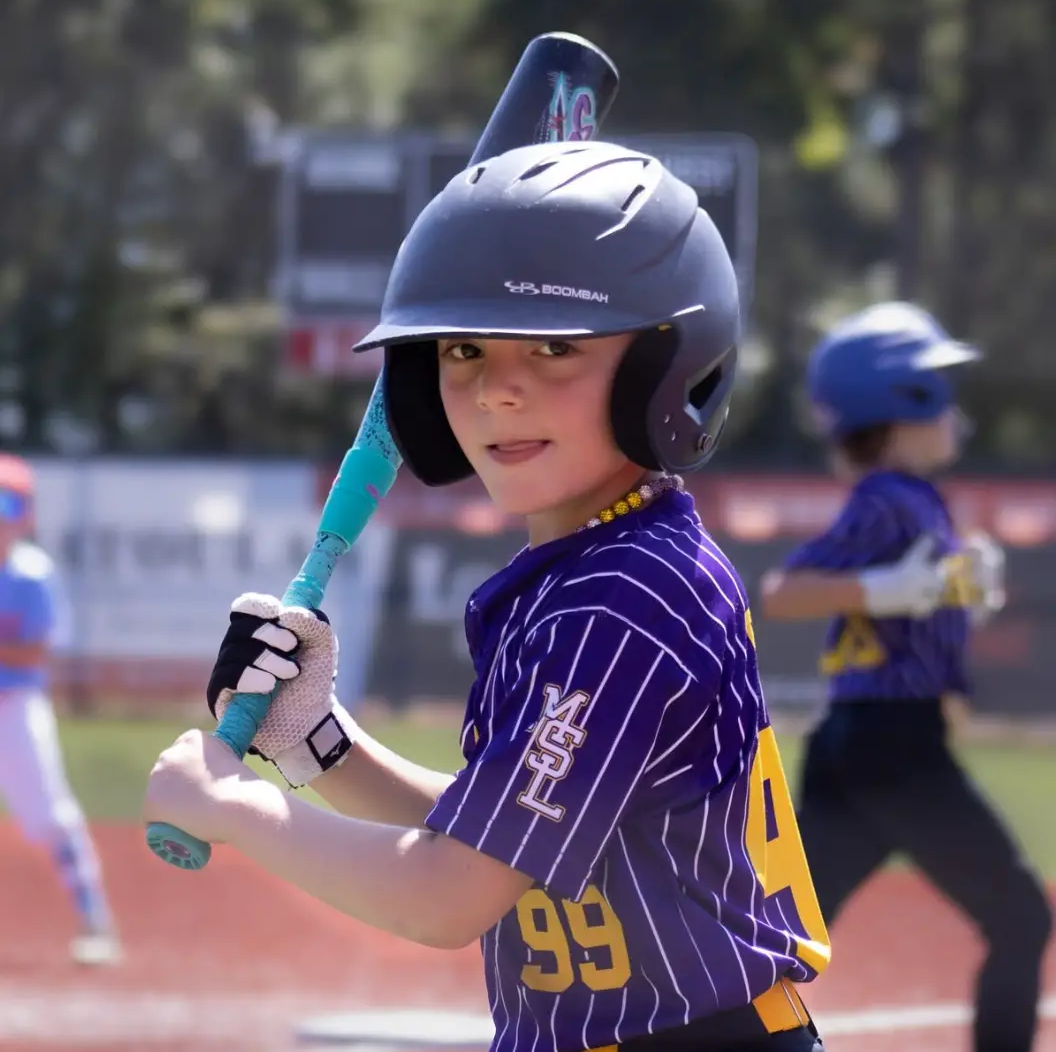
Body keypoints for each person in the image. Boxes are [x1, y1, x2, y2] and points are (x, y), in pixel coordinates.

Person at [144, 140, 829, 1051]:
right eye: (464, 347)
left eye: (554, 346)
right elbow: (502, 834)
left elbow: (449, 894)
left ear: (667, 367)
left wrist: (237, 805)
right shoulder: (590, 574)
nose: (497, 390)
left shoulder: (622, 599)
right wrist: (317, 741)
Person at [759, 302, 1052, 1052]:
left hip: (861, 743)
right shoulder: (889, 499)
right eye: (939, 391)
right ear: (899, 403)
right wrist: (888, 589)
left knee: (773, 941)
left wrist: (955, 591)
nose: (954, 412)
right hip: (894, 747)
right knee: (1021, 917)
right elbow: (785, 592)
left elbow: (908, 606)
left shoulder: (913, 501)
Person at [0, 453, 121, 965]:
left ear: (26, 514)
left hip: (14, 708)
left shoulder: (31, 574)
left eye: (8, 503)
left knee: (50, 814)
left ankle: (93, 917)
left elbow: (35, 650)